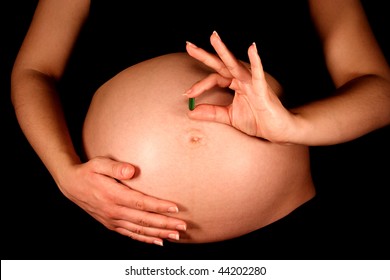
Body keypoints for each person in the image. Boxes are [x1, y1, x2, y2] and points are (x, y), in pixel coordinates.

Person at [10, 0, 390, 249]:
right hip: (107, 221)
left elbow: (381, 91)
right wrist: (64, 173)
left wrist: (294, 127)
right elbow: (34, 70)